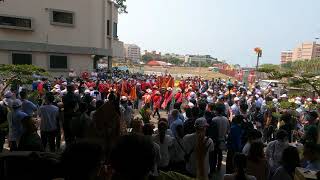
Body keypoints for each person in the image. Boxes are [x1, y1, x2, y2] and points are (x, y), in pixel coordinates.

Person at [211, 103, 230, 171]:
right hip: (222, 140)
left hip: (215, 140)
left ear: (217, 111)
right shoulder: (226, 119)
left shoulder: (214, 119)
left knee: (214, 154)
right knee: (220, 154)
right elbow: (228, 130)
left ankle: (213, 167)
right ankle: (219, 167)